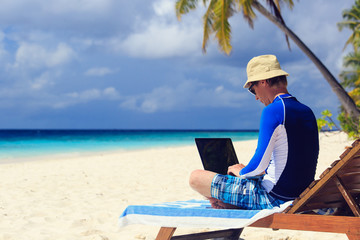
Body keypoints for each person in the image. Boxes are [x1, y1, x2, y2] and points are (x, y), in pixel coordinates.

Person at [189, 54, 319, 210]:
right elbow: (293, 160)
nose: (256, 97)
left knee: (196, 177)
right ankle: (225, 202)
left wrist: (241, 171)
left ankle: (222, 202)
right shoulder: (307, 111)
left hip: (273, 198)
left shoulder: (274, 110)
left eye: (252, 89)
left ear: (263, 82)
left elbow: (258, 165)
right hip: (300, 194)